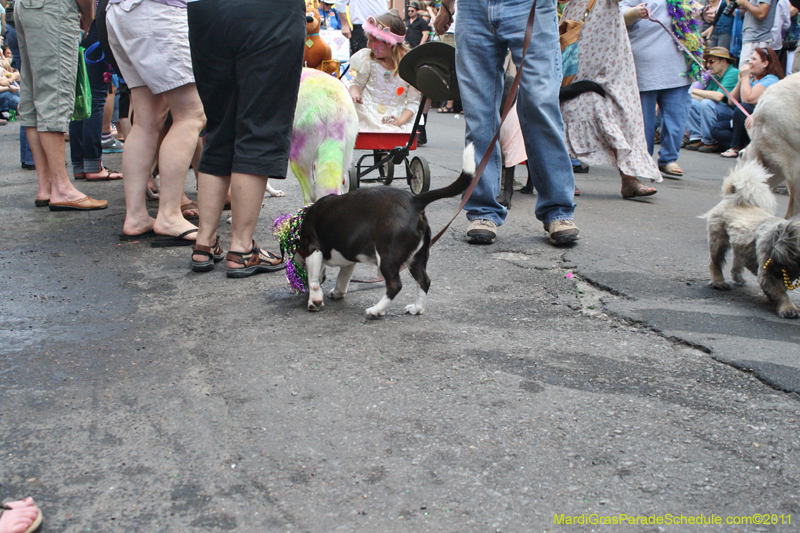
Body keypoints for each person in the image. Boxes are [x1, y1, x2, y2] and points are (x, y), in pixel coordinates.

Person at [435, 0, 580, 246]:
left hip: (529, 5)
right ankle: (482, 211)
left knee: (541, 104)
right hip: (473, 7)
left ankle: (557, 210)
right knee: (478, 111)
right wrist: (447, 6)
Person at [187, 0, 304, 276]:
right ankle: (242, 249)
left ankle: (204, 242)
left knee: (219, 127)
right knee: (261, 126)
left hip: (205, 9)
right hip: (268, 11)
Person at [106, 0, 206, 243]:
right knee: (191, 114)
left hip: (122, 11)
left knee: (146, 120)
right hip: (159, 12)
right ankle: (169, 215)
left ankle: (136, 216)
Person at [560, 0, 662, 199]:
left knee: (618, 106)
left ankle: (629, 178)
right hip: (580, 32)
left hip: (611, 43)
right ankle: (563, 178)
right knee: (572, 104)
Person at [15, 0, 108, 211]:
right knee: (53, 95)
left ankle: (47, 187)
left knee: (34, 95)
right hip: (53, 7)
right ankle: (62, 189)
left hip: (26, 6)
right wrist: (89, 18)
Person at [622, 0, 702, 179]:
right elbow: (619, 12)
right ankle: (644, 158)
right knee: (643, 121)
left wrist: (704, 14)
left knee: (677, 118)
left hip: (679, 69)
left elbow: (693, 9)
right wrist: (635, 12)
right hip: (644, 67)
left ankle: (669, 159)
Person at [349, 12, 422, 133]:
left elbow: (413, 103)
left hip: (394, 120)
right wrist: (355, 93)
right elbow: (357, 84)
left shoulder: (409, 68)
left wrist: (400, 121)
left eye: (372, 41)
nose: (368, 45)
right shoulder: (368, 60)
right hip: (366, 116)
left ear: (389, 43)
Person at [69, 24, 123, 181]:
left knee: (81, 100)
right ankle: (93, 165)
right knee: (95, 100)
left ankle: (80, 165)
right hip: (98, 36)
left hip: (82, 37)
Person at [718, 46, 783, 157]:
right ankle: (747, 146)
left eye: (754, 59)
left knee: (743, 107)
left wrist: (745, 78)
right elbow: (732, 101)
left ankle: (735, 147)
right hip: (744, 122)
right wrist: (740, 82)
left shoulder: (771, 79)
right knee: (717, 129)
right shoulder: (752, 79)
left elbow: (747, 99)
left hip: (760, 120)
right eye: (750, 59)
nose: (750, 62)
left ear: (765, 63)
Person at [685, 47, 739, 153]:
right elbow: (705, 96)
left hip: (733, 113)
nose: (708, 65)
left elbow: (718, 97)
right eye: (707, 62)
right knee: (689, 101)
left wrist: (691, 90)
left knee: (707, 103)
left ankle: (711, 141)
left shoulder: (733, 73)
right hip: (719, 109)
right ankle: (697, 137)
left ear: (723, 62)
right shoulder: (715, 75)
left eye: (711, 61)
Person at [735, 0, 779, 68]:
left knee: (746, 72)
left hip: (757, 40)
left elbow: (761, 14)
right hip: (752, 39)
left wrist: (745, 3)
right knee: (744, 72)